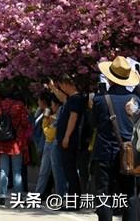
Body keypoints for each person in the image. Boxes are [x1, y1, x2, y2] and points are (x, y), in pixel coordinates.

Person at [91, 56, 140, 221]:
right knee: (130, 194)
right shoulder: (136, 101)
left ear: (110, 78)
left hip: (105, 152)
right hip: (129, 154)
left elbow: (94, 123)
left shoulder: (99, 100)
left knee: (103, 194)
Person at [0, 87, 32, 206]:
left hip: (2, 141)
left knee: (3, 170)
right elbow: (25, 123)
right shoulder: (19, 106)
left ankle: (2, 196)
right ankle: (18, 197)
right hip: (16, 142)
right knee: (17, 171)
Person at [49, 73, 86, 201]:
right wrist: (53, 88)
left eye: (61, 86)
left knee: (70, 171)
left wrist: (67, 136)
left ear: (66, 84)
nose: (61, 89)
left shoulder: (76, 99)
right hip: (66, 139)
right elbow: (62, 97)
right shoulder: (71, 98)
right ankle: (71, 199)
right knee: (67, 169)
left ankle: (74, 200)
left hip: (70, 140)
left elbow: (73, 118)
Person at [34, 92, 66, 197]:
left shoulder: (57, 117)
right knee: (45, 172)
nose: (51, 106)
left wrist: (45, 122)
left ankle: (60, 195)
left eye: (52, 104)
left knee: (55, 172)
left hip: (52, 144)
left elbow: (49, 133)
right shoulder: (53, 116)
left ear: (56, 105)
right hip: (49, 144)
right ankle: (38, 194)